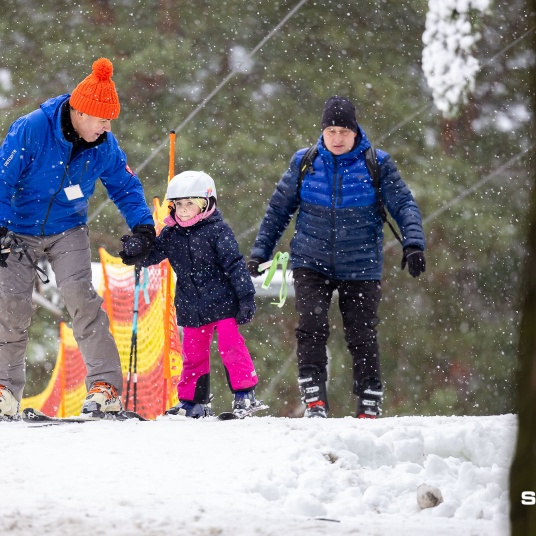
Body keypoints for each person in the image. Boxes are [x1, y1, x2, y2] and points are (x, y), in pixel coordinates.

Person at [0, 57, 155, 419]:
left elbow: (124, 185)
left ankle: (105, 389)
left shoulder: (103, 144)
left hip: (68, 228)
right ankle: (3, 393)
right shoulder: (32, 129)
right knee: (12, 306)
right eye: (103, 119)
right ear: (81, 112)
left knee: (81, 298)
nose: (107, 127)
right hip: (18, 231)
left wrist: (143, 227)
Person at [247, 96, 426, 419]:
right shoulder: (305, 162)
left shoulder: (377, 163)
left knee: (361, 333)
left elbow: (404, 205)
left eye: (344, 130)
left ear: (355, 131)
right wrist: (261, 252)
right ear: (322, 132)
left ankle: (369, 399)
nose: (338, 138)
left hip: (360, 265)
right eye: (331, 130)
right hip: (310, 261)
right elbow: (278, 210)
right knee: (311, 327)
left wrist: (414, 244)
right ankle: (314, 398)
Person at [127, 171, 264, 418]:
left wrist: (246, 298)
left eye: (189, 203)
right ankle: (193, 401)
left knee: (230, 346)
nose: (182, 209)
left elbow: (235, 264)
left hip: (223, 301)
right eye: (178, 204)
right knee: (193, 354)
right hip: (191, 305)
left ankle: (245, 395)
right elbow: (151, 256)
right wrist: (135, 250)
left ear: (205, 203)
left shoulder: (218, 231)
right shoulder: (171, 234)